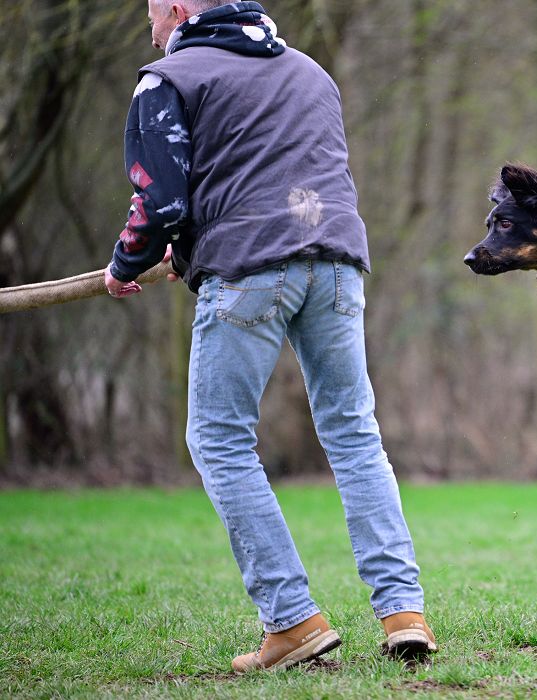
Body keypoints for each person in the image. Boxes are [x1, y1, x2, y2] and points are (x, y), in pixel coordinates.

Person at [104, 0, 436, 671]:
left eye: (149, 11)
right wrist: (194, 244)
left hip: (251, 272)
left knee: (219, 439)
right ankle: (404, 612)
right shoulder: (310, 73)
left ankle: (291, 622)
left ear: (175, 10)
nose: (149, 27)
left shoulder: (168, 79)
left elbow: (162, 202)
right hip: (336, 262)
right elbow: (266, 172)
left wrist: (125, 262)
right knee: (353, 432)